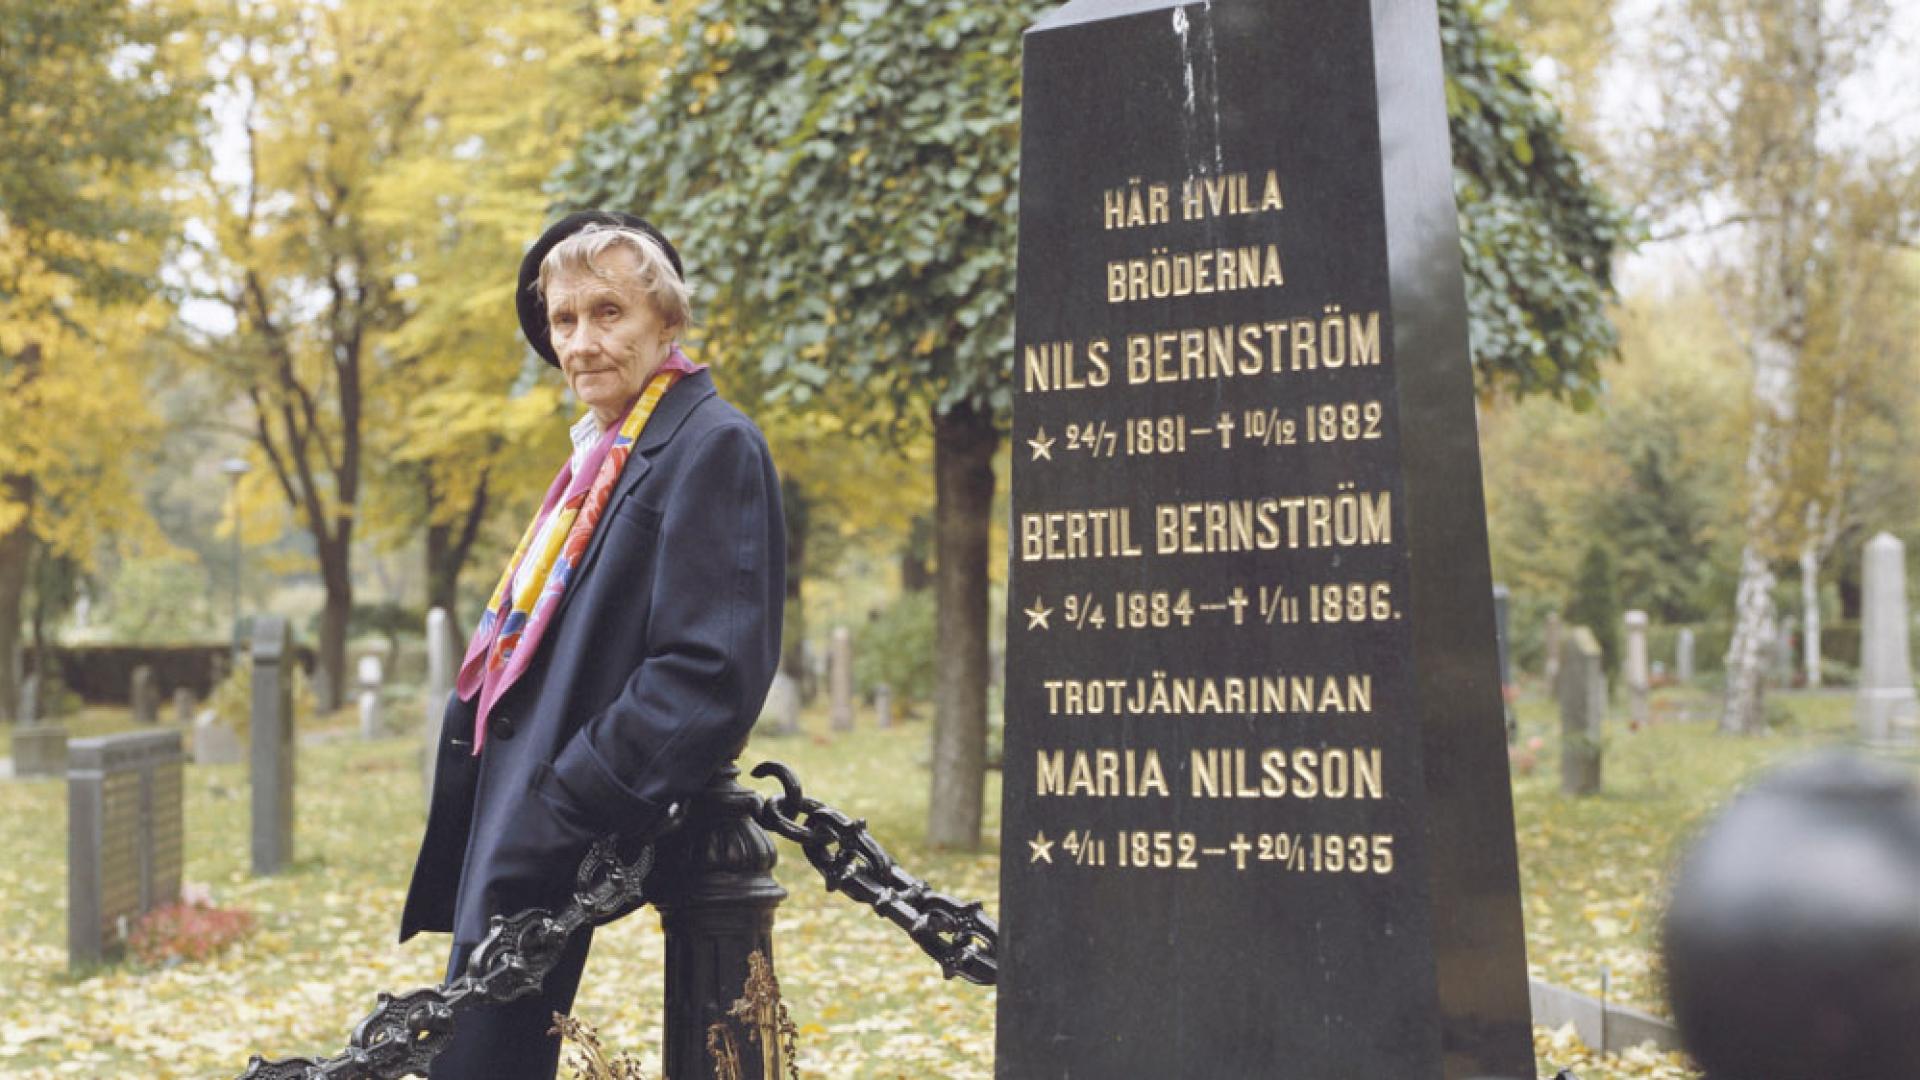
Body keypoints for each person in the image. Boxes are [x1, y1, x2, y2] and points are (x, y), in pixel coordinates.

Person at [399, 210, 785, 1079]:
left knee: (483, 1060)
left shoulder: (710, 444)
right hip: (522, 801)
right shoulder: (604, 454)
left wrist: (567, 798)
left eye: (608, 313)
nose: (580, 341)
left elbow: (709, 671)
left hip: (568, 808)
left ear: (667, 321)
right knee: (478, 1053)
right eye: (564, 320)